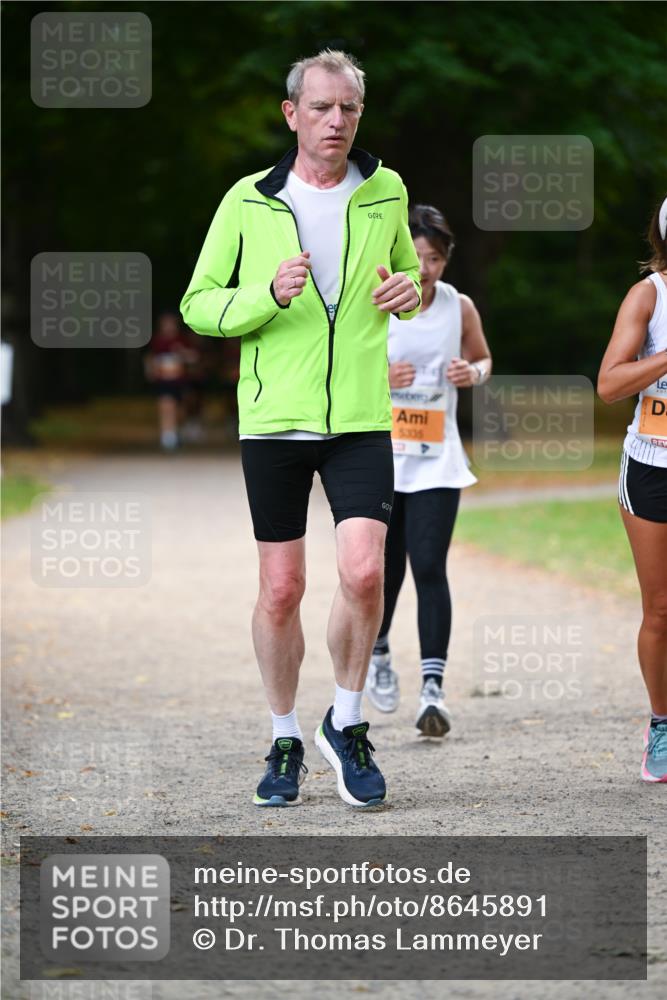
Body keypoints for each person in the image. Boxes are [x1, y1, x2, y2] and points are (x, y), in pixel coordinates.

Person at [180, 50, 421, 807]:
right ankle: (284, 737)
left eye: (348, 108)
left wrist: (409, 292)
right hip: (274, 419)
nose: (336, 121)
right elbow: (198, 305)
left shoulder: (385, 190)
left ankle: (344, 723)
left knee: (364, 572)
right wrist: (263, 295)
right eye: (321, 108)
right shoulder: (247, 201)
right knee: (280, 589)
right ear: (292, 114)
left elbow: (407, 283)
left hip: (356, 417)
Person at [365, 205, 492, 737]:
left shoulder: (457, 306)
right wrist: (380, 373)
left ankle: (433, 692)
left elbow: (484, 360)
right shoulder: (378, 301)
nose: (424, 268)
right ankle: (379, 650)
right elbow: (340, 364)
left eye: (434, 258)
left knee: (430, 567)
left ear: (446, 260)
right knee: (382, 570)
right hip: (380, 459)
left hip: (437, 458)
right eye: (416, 256)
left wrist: (473, 373)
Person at [597, 194, 667, 784]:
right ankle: (662, 727)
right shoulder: (650, 295)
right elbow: (610, 383)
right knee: (661, 609)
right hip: (653, 463)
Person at [145, 312, 196, 451]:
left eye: (171, 324)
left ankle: (176, 431)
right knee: (166, 406)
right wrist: (151, 371)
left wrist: (183, 353)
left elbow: (194, 358)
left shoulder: (182, 340)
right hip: (163, 381)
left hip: (179, 381)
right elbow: (150, 358)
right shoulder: (157, 341)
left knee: (180, 411)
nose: (169, 327)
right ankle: (168, 437)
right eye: (166, 324)